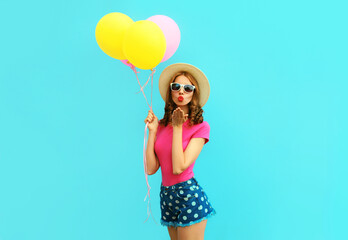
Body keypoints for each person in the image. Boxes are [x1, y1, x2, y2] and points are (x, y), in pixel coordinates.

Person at [144, 63, 216, 240]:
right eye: (176, 87)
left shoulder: (200, 127)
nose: (181, 92)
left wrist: (177, 128)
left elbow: (178, 168)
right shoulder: (161, 126)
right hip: (167, 195)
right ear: (171, 92)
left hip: (188, 195)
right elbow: (151, 169)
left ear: (194, 93)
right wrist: (152, 131)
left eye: (187, 88)